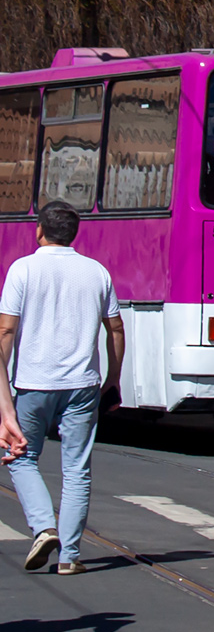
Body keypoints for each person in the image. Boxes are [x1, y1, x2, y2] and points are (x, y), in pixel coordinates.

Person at [0, 201, 125, 575]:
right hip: (83, 387)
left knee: (20, 457)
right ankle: (69, 556)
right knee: (77, 469)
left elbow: (6, 330)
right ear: (74, 234)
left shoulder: (22, 269)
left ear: (39, 230)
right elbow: (115, 328)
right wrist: (113, 379)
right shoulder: (97, 272)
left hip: (33, 383)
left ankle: (43, 528)